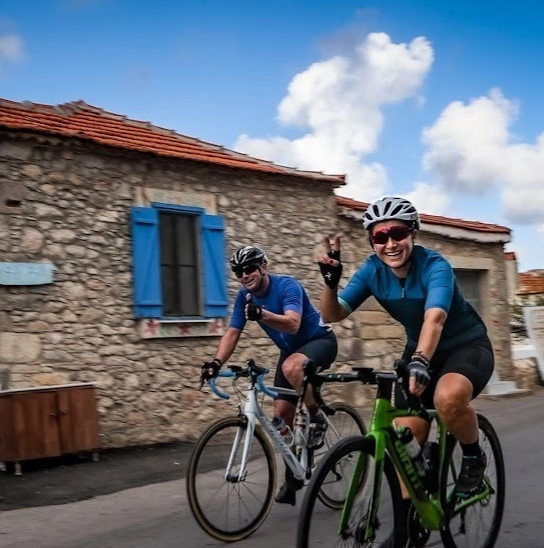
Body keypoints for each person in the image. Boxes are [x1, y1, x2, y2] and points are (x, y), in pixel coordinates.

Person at [316, 196, 495, 500]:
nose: (390, 244)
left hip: (466, 347)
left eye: (398, 233)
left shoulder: (435, 266)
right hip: (419, 353)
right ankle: (407, 523)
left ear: (413, 232)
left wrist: (421, 360)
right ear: (372, 241)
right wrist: (330, 285)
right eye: (380, 236)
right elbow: (333, 314)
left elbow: (435, 318)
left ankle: (473, 456)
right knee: (404, 439)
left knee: (447, 399)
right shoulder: (372, 270)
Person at [200, 245, 338, 505]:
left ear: (263, 267)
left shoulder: (288, 286)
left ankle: (316, 416)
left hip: (320, 342)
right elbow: (232, 332)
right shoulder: (244, 297)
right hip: (290, 351)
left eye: (249, 268)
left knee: (291, 367)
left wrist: (263, 314)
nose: (244, 275)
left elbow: (293, 323)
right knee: (280, 419)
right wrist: (216, 362)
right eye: (238, 272)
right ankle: (294, 475)